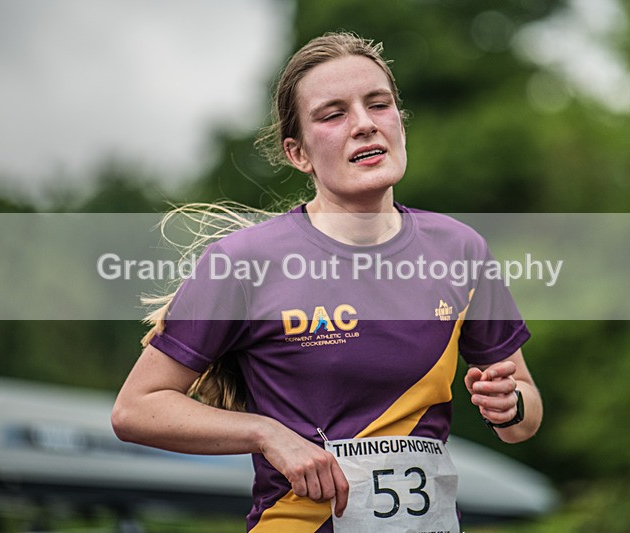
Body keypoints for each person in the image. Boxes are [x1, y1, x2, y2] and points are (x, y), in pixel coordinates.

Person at [112, 32, 543, 532]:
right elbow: (135, 410)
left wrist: (508, 405)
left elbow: (525, 417)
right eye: (333, 114)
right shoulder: (242, 261)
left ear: (400, 123)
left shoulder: (459, 249)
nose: (364, 124)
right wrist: (267, 434)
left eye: (378, 105)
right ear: (298, 153)